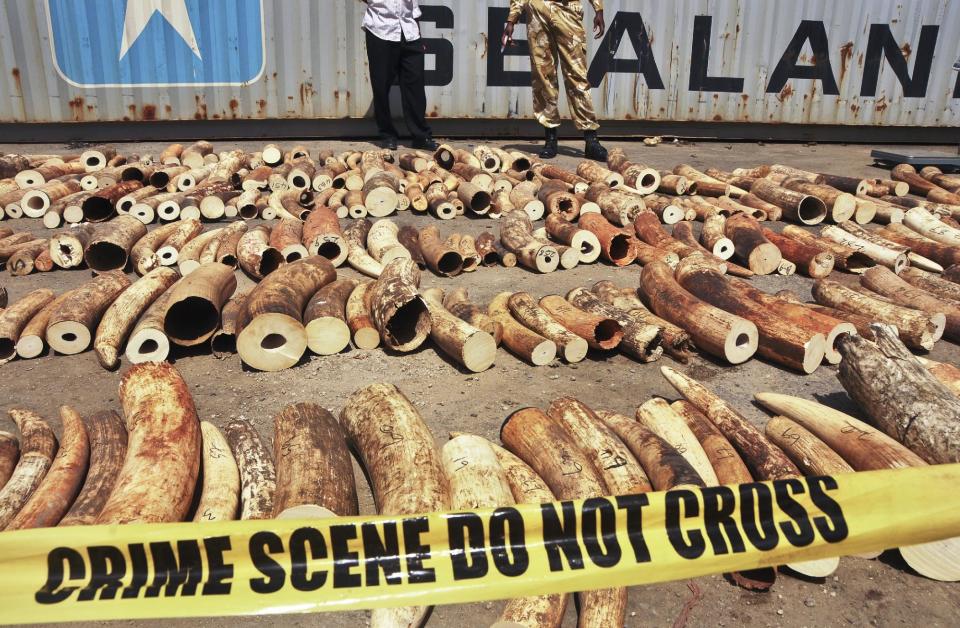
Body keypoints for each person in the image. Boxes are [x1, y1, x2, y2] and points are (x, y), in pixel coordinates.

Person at [503, 0, 608, 161]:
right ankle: (550, 138)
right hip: (537, 15)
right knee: (543, 77)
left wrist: (598, 9)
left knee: (577, 76)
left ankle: (591, 140)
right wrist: (511, 19)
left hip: (567, 11)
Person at [361, 0, 437, 150]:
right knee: (381, 85)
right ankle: (387, 134)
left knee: (415, 86)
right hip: (380, 30)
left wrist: (419, 36)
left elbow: (413, 8)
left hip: (409, 31)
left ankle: (420, 136)